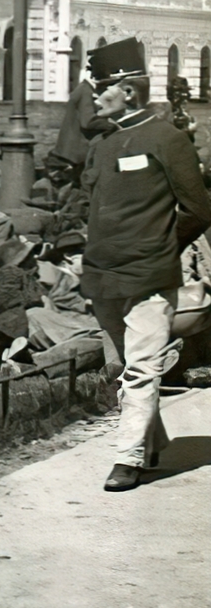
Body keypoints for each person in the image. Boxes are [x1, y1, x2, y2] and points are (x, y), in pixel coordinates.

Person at [78, 38, 211, 490]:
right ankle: (152, 443)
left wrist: (159, 246)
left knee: (140, 366)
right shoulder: (102, 144)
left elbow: (198, 208)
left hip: (149, 274)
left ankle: (129, 457)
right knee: (122, 368)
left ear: (128, 91)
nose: (94, 96)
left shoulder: (167, 139)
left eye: (101, 88)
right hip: (102, 274)